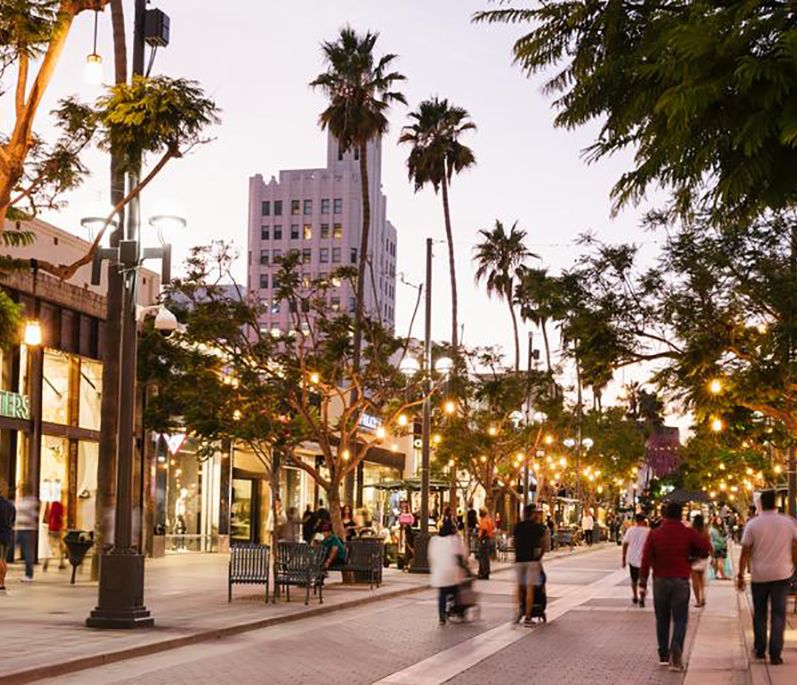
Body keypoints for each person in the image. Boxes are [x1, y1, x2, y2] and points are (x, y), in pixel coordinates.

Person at [638, 501, 711, 671]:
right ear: (681, 515)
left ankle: (663, 654)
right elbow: (706, 548)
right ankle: (676, 649)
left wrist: (642, 582)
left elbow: (645, 558)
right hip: (680, 580)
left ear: (664, 515)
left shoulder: (655, 533)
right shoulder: (687, 532)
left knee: (662, 618)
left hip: (660, 580)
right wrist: (692, 557)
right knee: (680, 618)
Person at [737, 489, 797, 666]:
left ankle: (760, 649)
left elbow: (745, 552)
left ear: (761, 504)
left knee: (760, 613)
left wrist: (741, 575)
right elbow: (795, 547)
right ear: (776, 503)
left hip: (760, 575)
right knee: (779, 614)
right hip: (782, 574)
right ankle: (776, 653)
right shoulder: (789, 523)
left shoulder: (753, 524)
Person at [513, 504, 549, 626]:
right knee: (530, 589)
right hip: (531, 561)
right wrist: (540, 556)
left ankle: (519, 612)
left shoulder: (518, 526)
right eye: (536, 513)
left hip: (519, 560)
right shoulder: (537, 527)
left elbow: (514, 542)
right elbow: (544, 543)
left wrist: (517, 553)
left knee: (519, 587)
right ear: (532, 514)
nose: (537, 515)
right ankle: (528, 617)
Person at [429, 517, 468, 625]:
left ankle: (441, 616)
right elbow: (462, 554)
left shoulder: (434, 540)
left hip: (440, 572)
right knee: (456, 591)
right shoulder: (454, 540)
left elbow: (431, 556)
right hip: (452, 572)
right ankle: (457, 612)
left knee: (442, 594)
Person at [622, 513, 650, 606]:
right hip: (644, 559)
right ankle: (642, 597)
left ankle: (635, 596)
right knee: (643, 579)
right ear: (643, 520)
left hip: (632, 559)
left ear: (636, 520)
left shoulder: (630, 530)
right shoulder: (648, 531)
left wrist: (623, 558)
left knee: (634, 579)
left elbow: (625, 544)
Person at [14, 485, 39, 582]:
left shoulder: (32, 501)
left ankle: (29, 575)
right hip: (19, 529)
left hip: (28, 530)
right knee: (9, 548)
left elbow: (33, 515)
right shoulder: (21, 501)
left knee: (28, 553)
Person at [689, 514, 712, 608]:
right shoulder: (705, 531)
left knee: (695, 581)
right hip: (704, 558)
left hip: (694, 558)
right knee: (701, 579)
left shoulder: (691, 531)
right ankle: (703, 596)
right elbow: (709, 544)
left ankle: (698, 600)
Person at [42, 495, 66, 572]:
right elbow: (60, 518)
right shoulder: (60, 506)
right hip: (58, 529)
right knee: (60, 547)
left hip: (51, 529)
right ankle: (61, 562)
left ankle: (46, 561)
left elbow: (49, 517)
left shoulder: (52, 505)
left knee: (50, 547)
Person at [0, 479, 15, 594]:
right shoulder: (10, 505)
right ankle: (2, 582)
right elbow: (13, 520)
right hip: (7, 534)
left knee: (0, 560)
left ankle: (1, 583)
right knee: (3, 559)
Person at [477, 508, 494, 579]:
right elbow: (492, 528)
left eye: (479, 512)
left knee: (482, 556)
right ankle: (485, 572)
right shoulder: (489, 519)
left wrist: (481, 538)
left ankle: (483, 572)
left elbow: (484, 529)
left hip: (484, 539)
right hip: (488, 539)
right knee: (486, 557)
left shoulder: (483, 520)